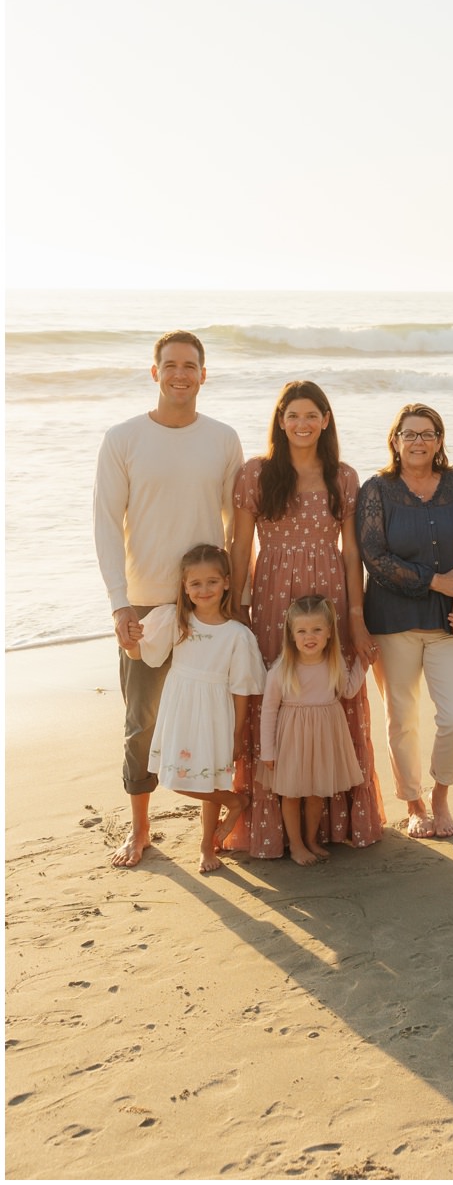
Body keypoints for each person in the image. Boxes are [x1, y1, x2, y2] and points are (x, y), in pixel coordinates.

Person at [93, 329, 243, 867]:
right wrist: (118, 605)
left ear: (204, 374)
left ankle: (215, 831)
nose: (180, 373)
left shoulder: (223, 439)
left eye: (191, 365)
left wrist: (234, 603)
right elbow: (107, 526)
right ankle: (140, 830)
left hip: (207, 609)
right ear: (155, 372)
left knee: (211, 722)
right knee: (142, 725)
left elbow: (236, 527)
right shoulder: (123, 438)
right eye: (170, 365)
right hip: (146, 607)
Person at [227, 380, 385, 858]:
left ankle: (336, 824)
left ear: (326, 420)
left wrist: (355, 617)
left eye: (311, 415)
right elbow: (240, 544)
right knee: (274, 698)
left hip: (330, 594)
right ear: (280, 420)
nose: (302, 424)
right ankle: (275, 829)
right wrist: (237, 607)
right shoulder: (256, 474)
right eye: (293, 415)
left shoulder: (343, 476)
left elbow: (352, 549)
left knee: (331, 694)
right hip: (273, 597)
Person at [357, 403, 453, 840]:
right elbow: (374, 558)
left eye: (427, 434)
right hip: (393, 622)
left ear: (440, 440)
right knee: (402, 717)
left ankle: (442, 795)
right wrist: (436, 582)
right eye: (409, 434)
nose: (418, 442)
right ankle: (414, 803)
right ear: (394, 441)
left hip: (450, 624)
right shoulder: (376, 489)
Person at [127, 543, 263, 873]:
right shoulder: (177, 621)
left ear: (227, 583)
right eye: (196, 584)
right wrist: (128, 642)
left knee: (209, 779)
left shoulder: (237, 635)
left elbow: (242, 689)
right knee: (173, 776)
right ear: (185, 588)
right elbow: (143, 655)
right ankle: (235, 802)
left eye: (212, 582)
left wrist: (236, 732)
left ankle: (207, 847)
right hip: (180, 710)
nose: (204, 590)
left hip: (216, 713)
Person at [258, 596, 368, 866]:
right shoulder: (281, 670)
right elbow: (269, 710)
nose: (310, 637)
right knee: (292, 794)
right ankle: (295, 845)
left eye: (317, 630)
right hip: (292, 736)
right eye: (302, 631)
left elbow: (349, 690)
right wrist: (268, 752)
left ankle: (311, 840)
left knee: (317, 792)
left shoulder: (334, 663)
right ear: (292, 635)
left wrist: (363, 663)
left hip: (325, 735)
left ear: (329, 632)